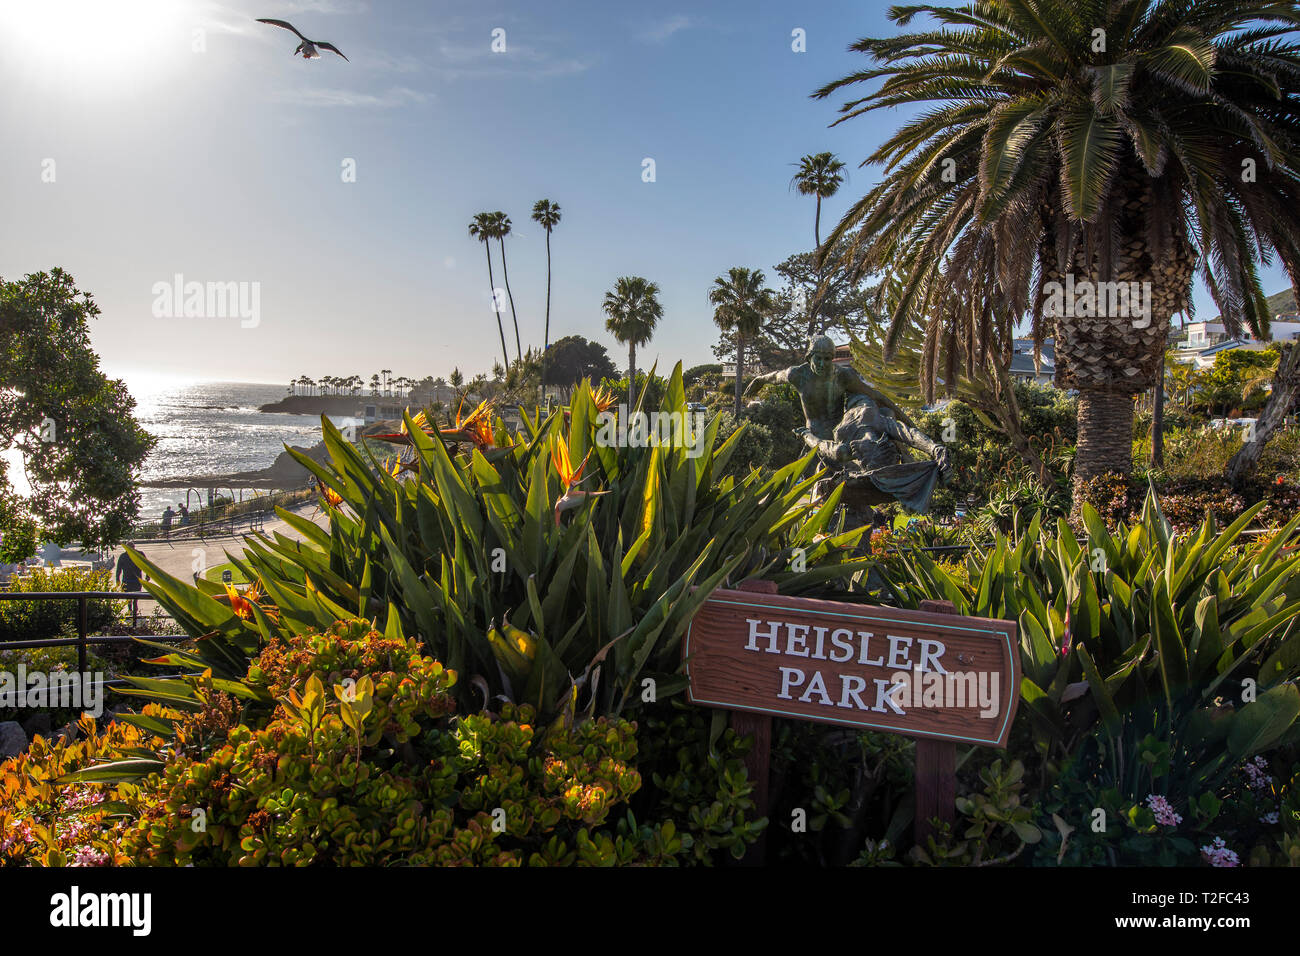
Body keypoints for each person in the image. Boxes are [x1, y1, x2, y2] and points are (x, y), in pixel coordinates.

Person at [115, 542, 146, 624]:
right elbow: (118, 569)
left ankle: (134, 612)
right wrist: (117, 579)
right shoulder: (123, 556)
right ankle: (130, 611)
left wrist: (148, 575)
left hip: (136, 581)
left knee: (135, 599)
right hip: (127, 581)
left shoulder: (139, 554)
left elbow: (146, 565)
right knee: (129, 599)